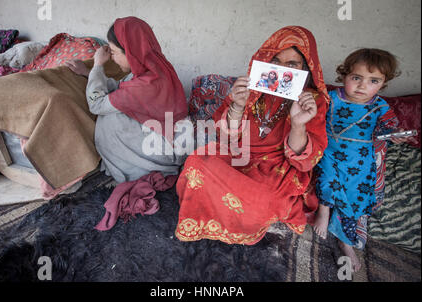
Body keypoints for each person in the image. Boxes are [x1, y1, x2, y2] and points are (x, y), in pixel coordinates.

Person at [174, 26, 329, 245]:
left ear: (306, 68)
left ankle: (237, 215)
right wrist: (237, 105)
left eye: (292, 65)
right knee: (196, 163)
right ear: (265, 60)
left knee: (265, 201)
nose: (281, 71)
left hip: (277, 168)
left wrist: (297, 124)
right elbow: (225, 138)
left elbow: (304, 164)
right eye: (274, 61)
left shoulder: (312, 101)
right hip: (238, 154)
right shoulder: (250, 88)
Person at [312, 48, 408, 272]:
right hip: (330, 152)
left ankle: (346, 242)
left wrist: (395, 136)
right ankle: (324, 211)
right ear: (344, 76)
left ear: (383, 83)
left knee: (356, 196)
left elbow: (388, 129)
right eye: (356, 78)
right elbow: (313, 118)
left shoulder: (380, 107)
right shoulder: (330, 98)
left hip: (361, 160)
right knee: (327, 177)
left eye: (373, 80)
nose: (362, 86)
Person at [65, 16, 189, 184]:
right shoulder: (156, 67)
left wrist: (97, 66)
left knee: (110, 118)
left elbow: (97, 104)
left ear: (130, 52)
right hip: (173, 140)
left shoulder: (143, 86)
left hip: (164, 152)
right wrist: (89, 73)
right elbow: (120, 88)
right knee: (116, 107)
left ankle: (137, 170)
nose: (113, 59)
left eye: (114, 53)